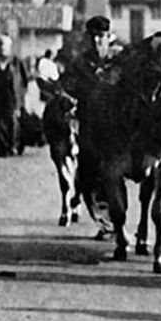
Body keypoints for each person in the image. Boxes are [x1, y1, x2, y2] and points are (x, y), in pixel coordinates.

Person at [59, 15, 116, 239]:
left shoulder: (117, 61)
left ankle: (117, 221)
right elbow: (67, 87)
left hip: (115, 129)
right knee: (89, 175)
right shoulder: (80, 64)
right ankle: (105, 223)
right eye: (93, 36)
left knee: (113, 176)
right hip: (90, 128)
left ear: (109, 37)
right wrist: (66, 98)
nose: (96, 41)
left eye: (101, 36)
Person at [0, 34, 28, 157]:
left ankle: (13, 145)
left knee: (12, 122)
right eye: (0, 45)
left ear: (10, 47)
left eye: (5, 46)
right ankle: (1, 147)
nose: (2, 48)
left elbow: (24, 81)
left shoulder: (17, 63)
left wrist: (21, 99)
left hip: (12, 97)